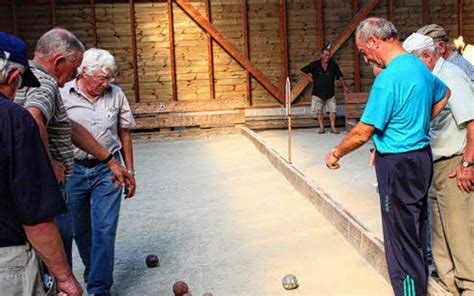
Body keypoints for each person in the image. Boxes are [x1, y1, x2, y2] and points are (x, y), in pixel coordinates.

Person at [324, 17, 450, 296]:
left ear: (374, 41)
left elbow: (363, 131)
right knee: (415, 228)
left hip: (398, 163)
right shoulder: (417, 66)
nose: (365, 56)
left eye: (362, 50)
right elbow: (444, 93)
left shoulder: (388, 78)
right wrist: (418, 124)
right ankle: (418, 285)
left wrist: (335, 153)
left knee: (400, 239)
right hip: (420, 157)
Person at [14, 28, 135, 268]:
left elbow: (68, 126)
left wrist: (111, 161)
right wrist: (49, 163)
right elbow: (33, 117)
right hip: (47, 182)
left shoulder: (24, 76)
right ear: (58, 61)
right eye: (74, 67)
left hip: (25, 181)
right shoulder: (47, 83)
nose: (74, 75)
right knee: (60, 240)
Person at [0, 33, 82, 296]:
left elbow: (70, 126)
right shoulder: (13, 119)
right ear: (12, 78)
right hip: (7, 258)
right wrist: (65, 276)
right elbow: (35, 217)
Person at [60, 48, 136, 296]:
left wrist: (130, 170)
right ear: (84, 72)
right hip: (73, 169)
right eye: (102, 78)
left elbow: (124, 132)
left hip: (108, 170)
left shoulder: (116, 94)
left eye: (110, 78)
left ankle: (99, 288)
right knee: (80, 228)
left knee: (105, 227)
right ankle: (94, 268)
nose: (107, 83)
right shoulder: (62, 93)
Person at [403, 32, 474, 296]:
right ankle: (449, 284)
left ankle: (469, 285)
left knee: (459, 230)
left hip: (454, 162)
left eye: (413, 63)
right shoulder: (430, 79)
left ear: (429, 56)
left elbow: (472, 122)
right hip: (434, 163)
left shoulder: (452, 76)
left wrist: (468, 163)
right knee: (440, 232)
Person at [301, 46, 350, 134]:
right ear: (322, 55)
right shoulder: (314, 65)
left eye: (329, 55)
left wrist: (345, 87)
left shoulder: (333, 64)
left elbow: (340, 76)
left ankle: (333, 127)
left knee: (333, 110)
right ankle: (321, 127)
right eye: (326, 55)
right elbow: (303, 71)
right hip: (317, 92)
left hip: (330, 93)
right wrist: (310, 78)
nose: (328, 57)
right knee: (319, 111)